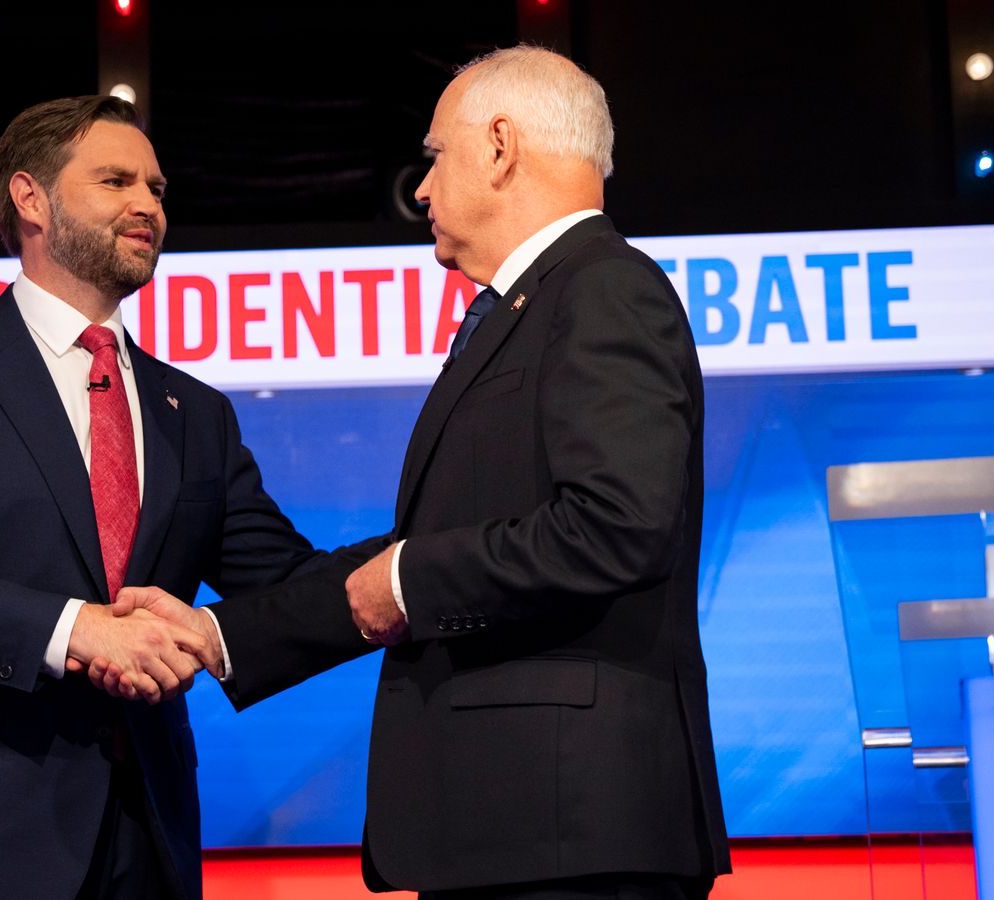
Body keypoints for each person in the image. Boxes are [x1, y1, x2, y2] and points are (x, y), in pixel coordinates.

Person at [97, 47, 731, 899]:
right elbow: (425, 548)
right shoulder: (538, 302)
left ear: (501, 146)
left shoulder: (604, 290)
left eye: (436, 156)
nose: (423, 189)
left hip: (573, 834)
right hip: (524, 830)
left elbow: (615, 526)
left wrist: (408, 579)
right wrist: (219, 635)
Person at [0, 95, 316, 900]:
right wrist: (73, 630)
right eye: (116, 180)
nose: (147, 205)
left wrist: (420, 565)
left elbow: (291, 586)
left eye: (156, 188)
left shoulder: (197, 414)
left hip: (147, 837)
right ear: (30, 198)